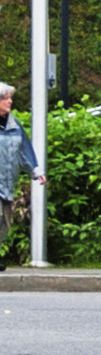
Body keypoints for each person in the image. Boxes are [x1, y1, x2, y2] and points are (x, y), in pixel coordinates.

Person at [0, 80, 32, 265]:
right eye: (5, 98)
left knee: (5, 222)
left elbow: (25, 150)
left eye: (10, 97)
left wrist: (35, 171)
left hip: (7, 182)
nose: (10, 101)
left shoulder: (14, 126)